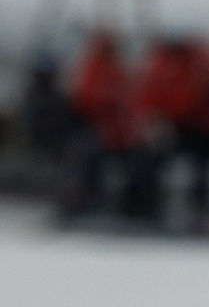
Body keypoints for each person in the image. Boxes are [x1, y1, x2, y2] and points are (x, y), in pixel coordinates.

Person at [133, 34, 209, 225]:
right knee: (187, 159)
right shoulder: (162, 65)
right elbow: (154, 102)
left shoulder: (202, 58)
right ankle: (156, 205)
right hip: (182, 130)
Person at [61, 29, 155, 222]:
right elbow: (82, 100)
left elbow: (135, 103)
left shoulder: (122, 71)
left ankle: (136, 206)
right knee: (87, 159)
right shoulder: (89, 69)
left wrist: (133, 130)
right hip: (96, 134)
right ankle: (83, 203)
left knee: (143, 161)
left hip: (122, 137)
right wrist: (107, 103)